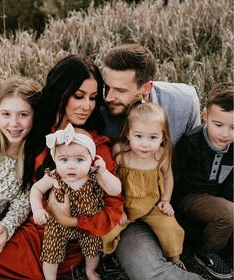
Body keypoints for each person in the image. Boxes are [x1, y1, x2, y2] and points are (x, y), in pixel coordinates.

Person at [0, 55, 124, 280]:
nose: (87, 106)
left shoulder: (92, 147)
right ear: (61, 92)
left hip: (56, 239)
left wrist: (70, 221)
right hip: (24, 221)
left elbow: (113, 208)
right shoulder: (37, 127)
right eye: (79, 96)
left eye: (93, 98)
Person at [99, 44, 203, 280]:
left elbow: (191, 157)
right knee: (150, 273)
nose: (108, 97)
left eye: (119, 90)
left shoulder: (185, 101)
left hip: (164, 202)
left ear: (145, 88)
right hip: (123, 212)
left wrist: (169, 202)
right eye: (107, 86)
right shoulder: (100, 110)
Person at [30, 124, 122, 280]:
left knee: (93, 246)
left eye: (79, 160)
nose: (71, 165)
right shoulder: (53, 176)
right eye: (64, 159)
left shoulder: (94, 174)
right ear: (55, 159)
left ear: (91, 159)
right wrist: (37, 209)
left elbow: (115, 190)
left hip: (87, 222)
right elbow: (36, 190)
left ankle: (90, 271)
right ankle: (50, 278)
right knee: (51, 250)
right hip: (57, 224)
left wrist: (104, 172)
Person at [114, 100, 186, 269]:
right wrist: (117, 208)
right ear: (128, 134)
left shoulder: (161, 155)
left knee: (170, 227)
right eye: (138, 136)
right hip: (124, 206)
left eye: (153, 137)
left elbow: (168, 177)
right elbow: (111, 183)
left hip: (152, 205)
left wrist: (166, 200)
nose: (145, 144)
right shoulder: (120, 154)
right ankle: (103, 255)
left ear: (163, 137)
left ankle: (175, 259)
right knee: (107, 230)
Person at [172, 82, 233, 279]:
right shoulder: (191, 142)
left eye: (233, 127)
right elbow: (174, 174)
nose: (225, 134)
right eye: (218, 125)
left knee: (228, 212)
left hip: (214, 197)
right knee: (229, 215)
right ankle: (205, 253)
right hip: (187, 197)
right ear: (205, 115)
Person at [0, 76, 41, 253]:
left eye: (23, 115)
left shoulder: (33, 156)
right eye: (6, 114)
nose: (14, 123)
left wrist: (6, 226)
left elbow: (22, 201)